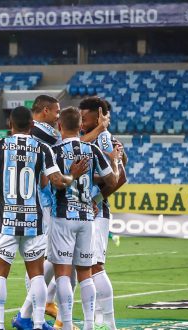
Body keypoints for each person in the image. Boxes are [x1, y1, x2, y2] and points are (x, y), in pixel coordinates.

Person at [0, 106, 88, 330]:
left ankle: (0, 326)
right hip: (34, 222)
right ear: (32, 125)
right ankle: (38, 324)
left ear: (9, 125)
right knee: (37, 276)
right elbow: (58, 182)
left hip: (6, 222)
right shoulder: (43, 149)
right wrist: (73, 175)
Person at [16, 95, 110, 330]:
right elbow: (73, 148)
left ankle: (41, 314)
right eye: (56, 111)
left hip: (53, 205)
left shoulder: (41, 134)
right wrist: (99, 130)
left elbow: (69, 147)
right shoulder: (44, 134)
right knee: (59, 264)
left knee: (55, 261)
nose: (58, 116)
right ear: (46, 111)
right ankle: (37, 315)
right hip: (49, 205)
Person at [51, 107, 120, 330]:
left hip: (62, 217)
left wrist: (70, 176)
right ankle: (90, 325)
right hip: (87, 217)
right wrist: (116, 161)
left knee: (62, 274)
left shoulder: (53, 151)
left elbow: (50, 182)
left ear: (59, 126)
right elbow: (112, 181)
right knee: (86, 274)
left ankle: (67, 324)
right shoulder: (91, 149)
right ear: (80, 126)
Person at [79, 97, 128, 330]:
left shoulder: (105, 138)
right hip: (84, 212)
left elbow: (120, 177)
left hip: (97, 212)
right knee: (86, 268)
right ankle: (98, 320)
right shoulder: (92, 138)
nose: (80, 121)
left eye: (84, 117)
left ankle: (109, 323)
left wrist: (96, 199)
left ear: (98, 117)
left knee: (96, 266)